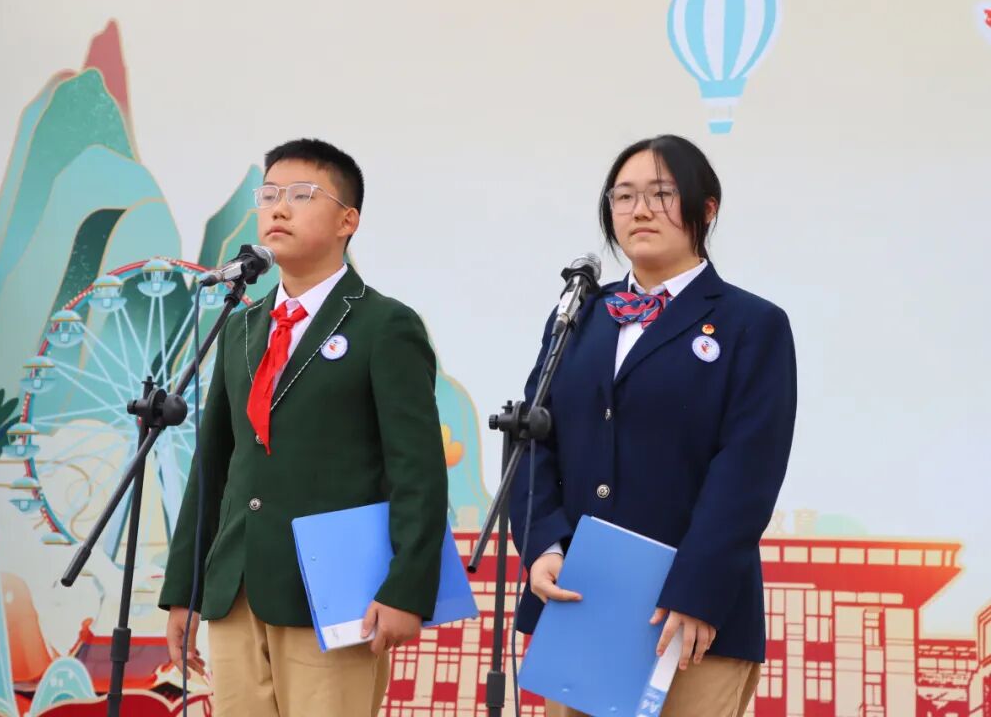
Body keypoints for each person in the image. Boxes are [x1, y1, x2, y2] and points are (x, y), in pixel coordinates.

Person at [159, 138, 449, 717]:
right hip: (237, 588)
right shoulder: (241, 326)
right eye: (268, 195)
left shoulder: (384, 325)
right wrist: (185, 590)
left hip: (335, 594)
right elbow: (213, 464)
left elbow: (417, 471)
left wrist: (406, 589)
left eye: (301, 195)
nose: (279, 208)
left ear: (348, 221)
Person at [510, 134, 797, 717]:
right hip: (581, 599)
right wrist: (542, 543)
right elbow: (533, 436)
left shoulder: (751, 324)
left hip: (690, 618)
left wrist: (697, 591)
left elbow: (747, 473)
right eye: (624, 196)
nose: (639, 210)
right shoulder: (579, 315)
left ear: (706, 208)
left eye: (661, 194)